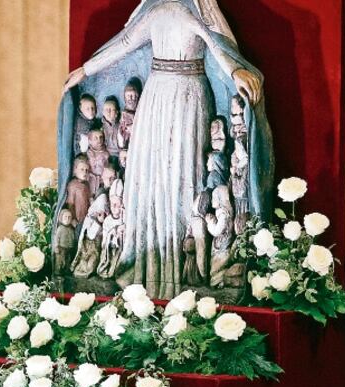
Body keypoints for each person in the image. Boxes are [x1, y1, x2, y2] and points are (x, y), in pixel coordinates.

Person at [61, 0, 270, 299]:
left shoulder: (196, 10)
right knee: (152, 176)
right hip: (156, 97)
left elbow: (216, 45)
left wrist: (236, 70)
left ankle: (182, 271)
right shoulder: (157, 12)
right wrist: (85, 69)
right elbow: (125, 42)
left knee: (184, 177)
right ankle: (148, 264)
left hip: (188, 97)